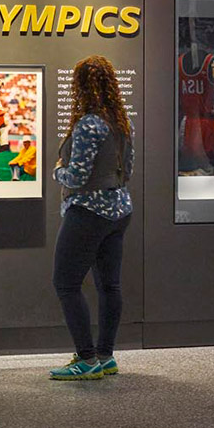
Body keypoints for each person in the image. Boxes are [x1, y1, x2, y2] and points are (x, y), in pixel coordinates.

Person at [50, 55, 135, 382]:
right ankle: (105, 355)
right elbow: (128, 170)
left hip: (87, 212)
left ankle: (86, 359)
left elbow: (77, 176)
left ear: (80, 87)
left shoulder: (88, 124)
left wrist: (58, 171)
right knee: (109, 285)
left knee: (65, 282)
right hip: (119, 211)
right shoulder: (122, 123)